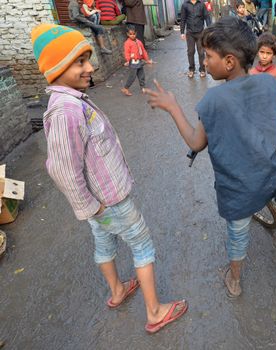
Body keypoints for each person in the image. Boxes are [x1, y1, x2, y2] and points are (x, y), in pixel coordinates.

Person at [30, 23, 187, 334]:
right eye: (79, 61)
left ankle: (117, 291)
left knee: (104, 242)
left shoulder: (72, 102)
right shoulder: (65, 111)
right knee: (141, 245)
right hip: (109, 200)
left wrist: (92, 210)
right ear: (57, 67)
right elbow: (61, 169)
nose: (90, 67)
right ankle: (155, 311)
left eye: (87, 59)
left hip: (100, 204)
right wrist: (91, 208)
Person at [145, 17, 276, 298]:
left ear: (228, 62)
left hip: (238, 189)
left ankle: (235, 280)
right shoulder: (271, 83)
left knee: (238, 235)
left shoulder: (213, 101)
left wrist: (174, 107)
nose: (203, 61)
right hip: (271, 174)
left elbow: (195, 142)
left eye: (208, 56)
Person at [250, 33, 276, 101]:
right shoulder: (252, 72)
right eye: (262, 52)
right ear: (257, 52)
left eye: (268, 53)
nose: (264, 56)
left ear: (274, 55)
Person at [180, 0, 209, 78]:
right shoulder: (185, 5)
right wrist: (182, 32)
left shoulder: (202, 4)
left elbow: (207, 17)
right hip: (190, 33)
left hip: (200, 32)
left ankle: (202, 70)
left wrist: (210, 30)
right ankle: (191, 69)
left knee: (201, 52)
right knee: (190, 51)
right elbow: (183, 19)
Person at [121, 26, 153, 96]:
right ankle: (126, 88)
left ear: (136, 33)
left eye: (134, 34)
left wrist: (147, 60)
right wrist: (128, 60)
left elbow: (143, 51)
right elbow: (127, 52)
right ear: (127, 34)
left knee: (141, 75)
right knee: (132, 76)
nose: (132, 35)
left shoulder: (139, 42)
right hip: (133, 62)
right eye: (130, 34)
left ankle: (143, 87)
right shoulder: (127, 43)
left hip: (140, 61)